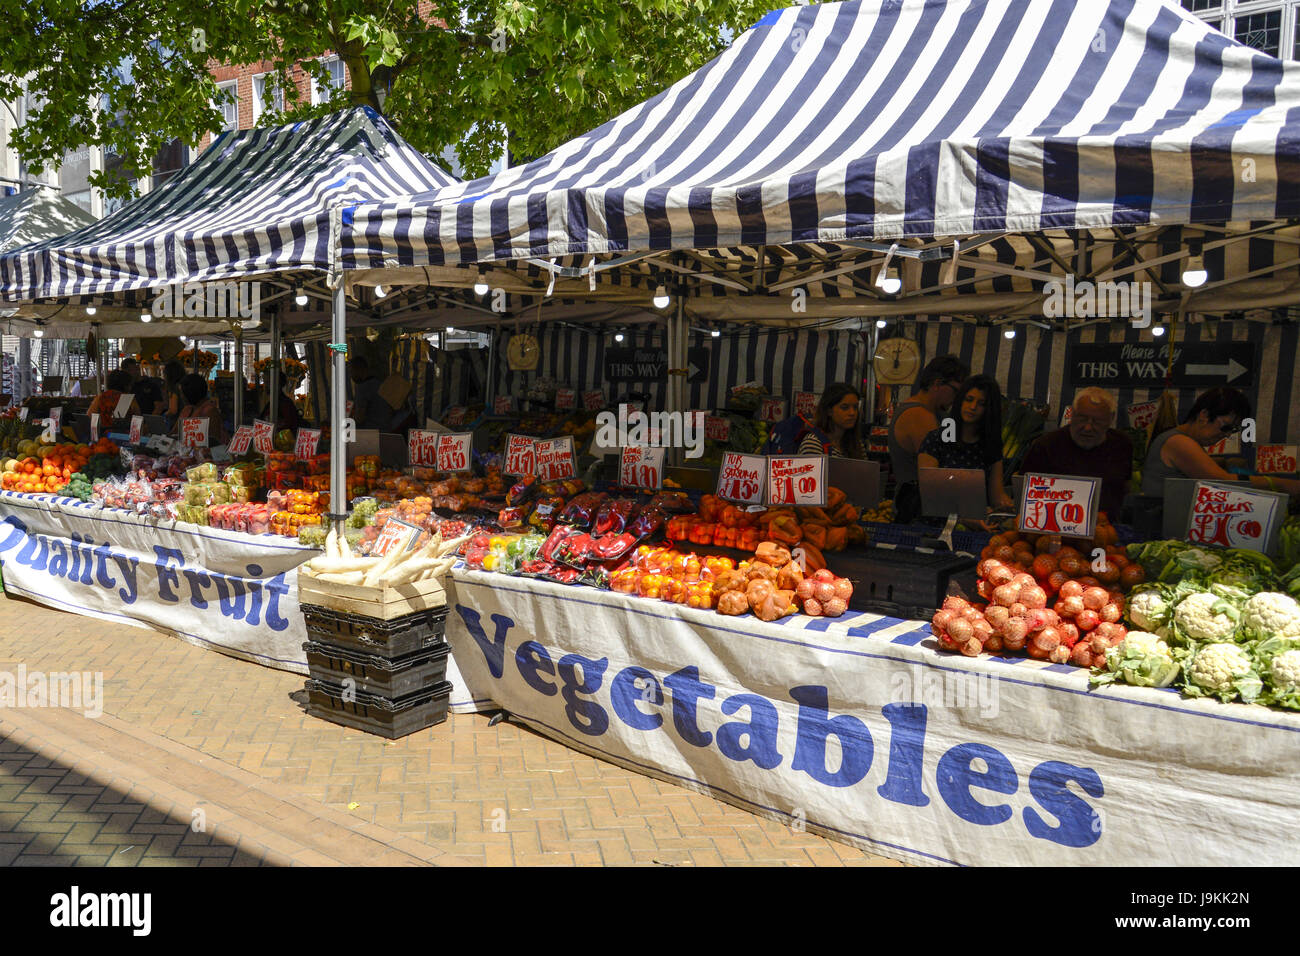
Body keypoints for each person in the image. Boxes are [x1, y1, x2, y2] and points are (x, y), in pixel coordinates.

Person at [1142, 387, 1300, 498]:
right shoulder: (1179, 442)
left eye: (1232, 431)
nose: (1225, 436)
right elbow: (1221, 481)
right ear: (1203, 415)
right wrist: (1279, 484)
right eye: (1225, 427)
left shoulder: (1182, 439)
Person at [1017, 387, 1132, 521]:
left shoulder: (1122, 444)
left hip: (1107, 527)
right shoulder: (1045, 446)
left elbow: (1125, 487)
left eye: (1097, 421)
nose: (1088, 427)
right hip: (1053, 526)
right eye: (1082, 419)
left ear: (1111, 419)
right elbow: (1025, 495)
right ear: (1071, 414)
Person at [888, 354, 970, 522]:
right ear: (937, 383)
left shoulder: (930, 413)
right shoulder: (919, 415)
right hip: (916, 511)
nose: (957, 398)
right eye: (955, 391)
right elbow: (942, 467)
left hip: (917, 505)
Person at [917, 374, 1015, 512]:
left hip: (976, 526)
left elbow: (996, 496)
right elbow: (929, 492)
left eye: (981, 403)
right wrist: (965, 512)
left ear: (989, 409)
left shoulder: (991, 445)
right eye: (969, 400)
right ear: (960, 401)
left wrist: (1008, 505)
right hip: (937, 525)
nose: (973, 407)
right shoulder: (937, 439)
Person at [797, 384, 865, 458]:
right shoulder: (813, 443)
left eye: (855, 407)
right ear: (829, 411)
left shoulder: (856, 443)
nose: (852, 413)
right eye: (844, 407)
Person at [175, 372, 228, 444]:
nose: (181, 396)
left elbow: (214, 441)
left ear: (190, 392)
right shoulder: (187, 410)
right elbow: (173, 433)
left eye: (182, 393)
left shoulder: (209, 411)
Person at [350, 355, 393, 430]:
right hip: (386, 429)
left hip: (371, 432)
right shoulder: (379, 383)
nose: (351, 375)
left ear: (359, 370)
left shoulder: (363, 388)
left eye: (351, 371)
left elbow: (360, 418)